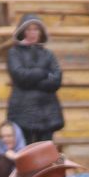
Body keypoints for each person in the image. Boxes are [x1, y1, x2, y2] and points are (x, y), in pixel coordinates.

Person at [6, 15, 64, 143]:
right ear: (22, 32)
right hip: (23, 112)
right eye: (29, 29)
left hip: (47, 113)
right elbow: (20, 76)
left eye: (36, 29)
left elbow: (56, 79)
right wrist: (43, 73)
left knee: (45, 151)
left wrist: (32, 79)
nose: (32, 33)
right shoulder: (14, 52)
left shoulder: (48, 54)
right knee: (26, 150)